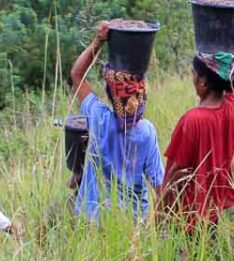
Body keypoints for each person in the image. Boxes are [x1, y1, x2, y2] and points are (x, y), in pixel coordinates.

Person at [69, 22, 165, 221]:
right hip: (133, 222)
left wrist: (98, 41)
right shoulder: (146, 132)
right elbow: (160, 186)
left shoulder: (98, 118)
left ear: (110, 94)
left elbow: (76, 75)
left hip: (94, 218)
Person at [160, 52, 234, 232]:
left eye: (193, 73)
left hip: (186, 217)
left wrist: (159, 216)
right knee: (208, 256)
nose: (192, 78)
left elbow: (177, 174)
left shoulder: (192, 120)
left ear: (203, 82)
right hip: (213, 211)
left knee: (187, 259)